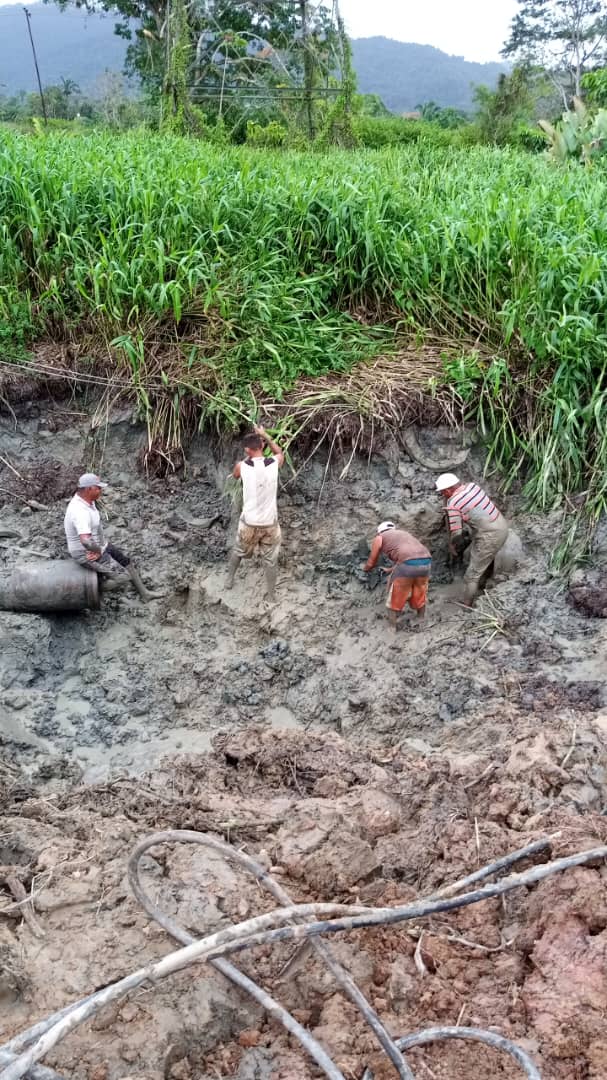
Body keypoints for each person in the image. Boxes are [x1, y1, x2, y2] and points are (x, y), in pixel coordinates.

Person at [64, 473, 161, 602]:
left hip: (99, 545)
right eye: (98, 488)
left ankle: (145, 594)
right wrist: (98, 551)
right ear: (88, 489)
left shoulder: (87, 501)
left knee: (126, 562)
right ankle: (89, 590)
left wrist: (101, 546)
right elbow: (86, 541)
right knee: (123, 577)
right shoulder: (79, 511)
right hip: (86, 552)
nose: (101, 490)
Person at [226, 425, 285, 600]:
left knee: (239, 550)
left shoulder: (241, 466)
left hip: (249, 523)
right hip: (270, 524)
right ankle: (271, 596)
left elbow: (235, 476)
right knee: (271, 560)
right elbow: (280, 452)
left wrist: (249, 455)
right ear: (262, 445)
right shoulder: (273, 463)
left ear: (247, 450)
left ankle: (229, 579)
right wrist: (264, 434)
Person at [436, 472, 509, 606]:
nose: (442, 495)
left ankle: (466, 604)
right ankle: (482, 582)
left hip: (490, 536)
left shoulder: (454, 503)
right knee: (479, 558)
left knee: (471, 576)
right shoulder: (472, 486)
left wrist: (453, 544)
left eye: (442, 493)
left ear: (447, 490)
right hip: (501, 525)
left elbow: (456, 532)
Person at [363, 521, 432, 628]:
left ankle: (392, 627)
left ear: (379, 531)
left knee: (394, 596)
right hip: (426, 562)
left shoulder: (380, 537)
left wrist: (365, 569)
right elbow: (410, 557)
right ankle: (420, 618)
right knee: (419, 591)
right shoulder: (404, 534)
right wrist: (390, 570)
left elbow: (372, 561)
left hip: (407, 565)